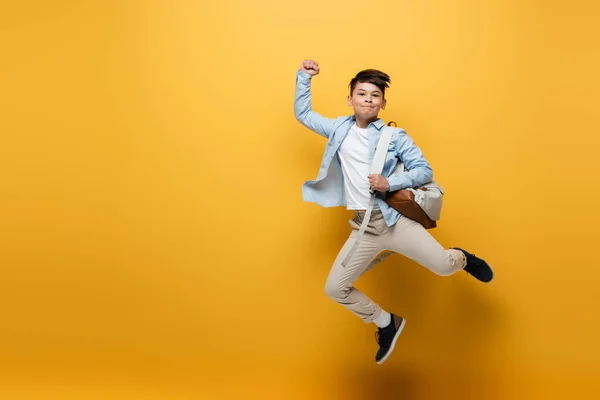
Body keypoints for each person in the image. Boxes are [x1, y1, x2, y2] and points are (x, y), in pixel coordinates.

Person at [294, 59, 494, 365]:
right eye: (362, 94)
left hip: (395, 221)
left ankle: (462, 257)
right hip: (364, 228)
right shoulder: (338, 129)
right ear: (350, 99)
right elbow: (303, 114)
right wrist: (304, 77)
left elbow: (423, 170)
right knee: (335, 288)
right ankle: (387, 323)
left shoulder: (394, 137)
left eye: (375, 95)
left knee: (443, 266)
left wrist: (391, 181)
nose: (368, 99)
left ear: (383, 103)